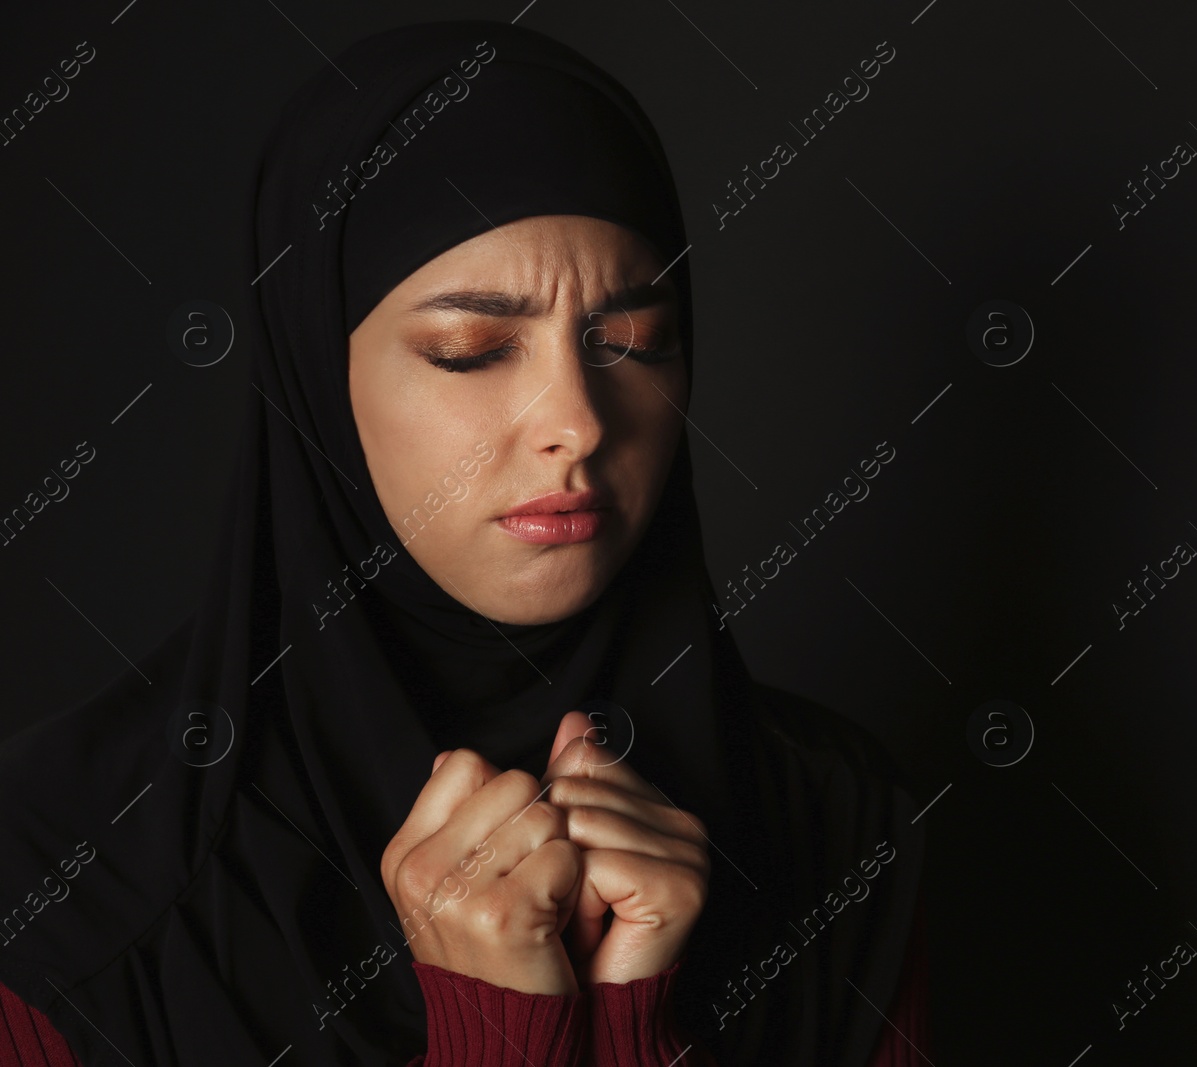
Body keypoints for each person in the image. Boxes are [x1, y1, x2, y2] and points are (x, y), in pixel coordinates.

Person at [0, 19, 928, 1067]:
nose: (577, 421)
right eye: (471, 349)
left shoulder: (837, 823)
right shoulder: (58, 880)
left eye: (628, 343)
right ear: (317, 376)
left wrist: (635, 1022)